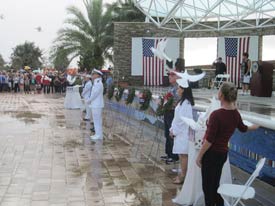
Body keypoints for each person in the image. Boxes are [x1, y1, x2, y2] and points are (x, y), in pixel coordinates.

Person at [196, 82, 259, 206]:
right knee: (215, 184)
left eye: (219, 91)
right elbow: (243, 128)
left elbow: (209, 140)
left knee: (208, 187)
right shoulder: (235, 114)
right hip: (222, 154)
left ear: (222, 96)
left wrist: (199, 156)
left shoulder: (216, 115)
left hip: (211, 154)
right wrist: (254, 127)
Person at [169, 77, 194, 184]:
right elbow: (177, 118)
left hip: (183, 133)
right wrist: (172, 129)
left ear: (183, 89)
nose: (177, 89)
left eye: (179, 88)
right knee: (181, 154)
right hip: (179, 133)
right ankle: (182, 174)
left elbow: (183, 121)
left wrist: (174, 131)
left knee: (184, 155)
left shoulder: (186, 104)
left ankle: (183, 176)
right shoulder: (182, 102)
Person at [87, 69, 104, 140]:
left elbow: (94, 94)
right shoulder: (96, 82)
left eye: (94, 74)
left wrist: (89, 100)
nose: (92, 75)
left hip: (97, 105)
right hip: (95, 104)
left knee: (97, 120)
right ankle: (98, 134)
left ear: (97, 75)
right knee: (96, 120)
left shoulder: (98, 83)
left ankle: (99, 135)